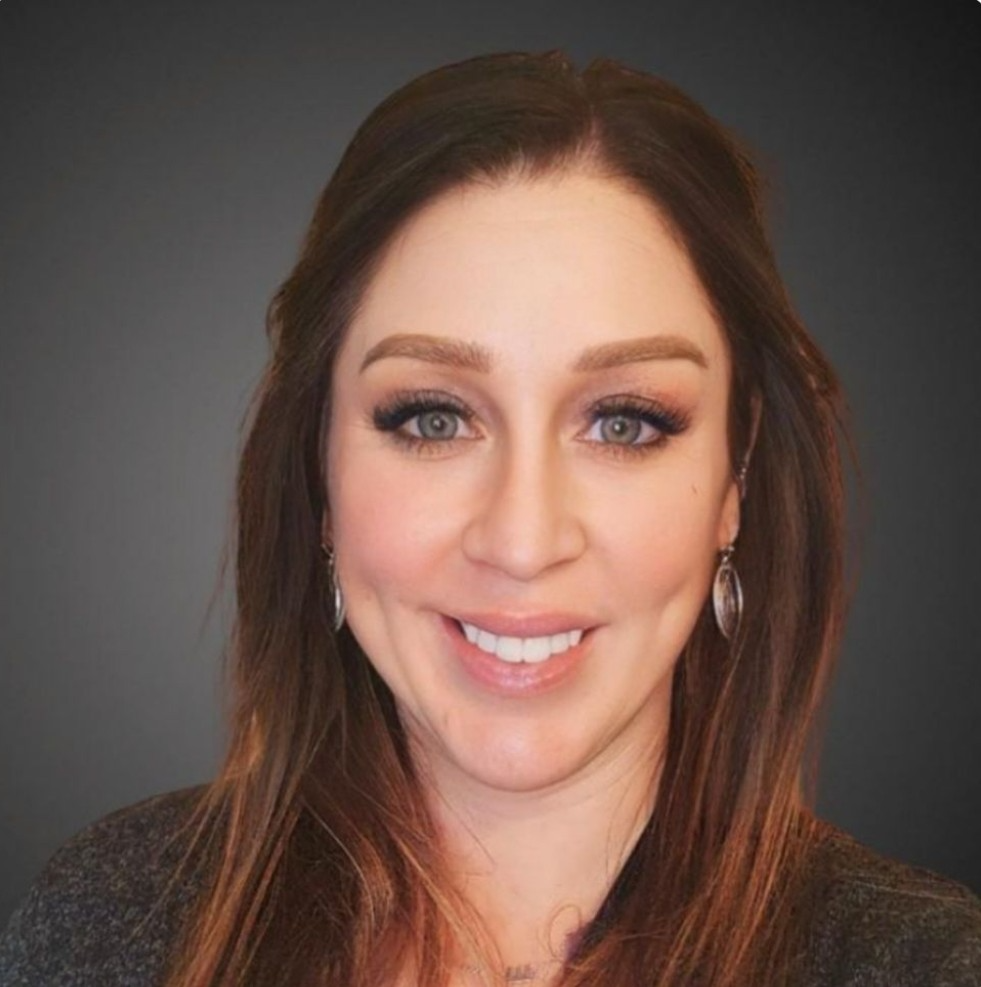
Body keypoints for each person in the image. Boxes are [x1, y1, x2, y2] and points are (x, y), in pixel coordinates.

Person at [1, 49, 979, 987]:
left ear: (737, 477)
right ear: (318, 470)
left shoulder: (927, 964)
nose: (522, 541)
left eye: (624, 422)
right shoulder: (113, 918)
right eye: (433, 418)